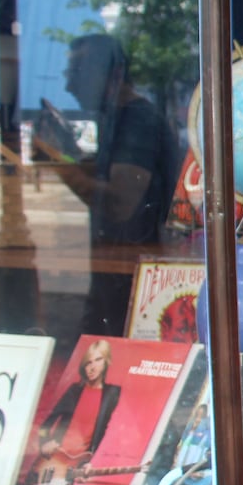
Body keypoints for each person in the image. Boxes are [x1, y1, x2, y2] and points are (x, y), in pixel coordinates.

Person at [35, 33, 177, 336]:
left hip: (131, 278)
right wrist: (63, 151)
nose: (68, 85)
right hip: (116, 274)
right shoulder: (116, 118)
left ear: (113, 73)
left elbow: (119, 203)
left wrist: (57, 163)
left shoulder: (136, 119)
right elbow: (105, 175)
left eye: (77, 72)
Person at [32, 338, 123, 485]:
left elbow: (115, 433)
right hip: (55, 458)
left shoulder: (112, 393)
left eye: (98, 360)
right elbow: (45, 425)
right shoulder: (74, 391)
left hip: (80, 464)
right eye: (88, 362)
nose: (92, 367)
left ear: (106, 362)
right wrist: (45, 443)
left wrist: (96, 461)